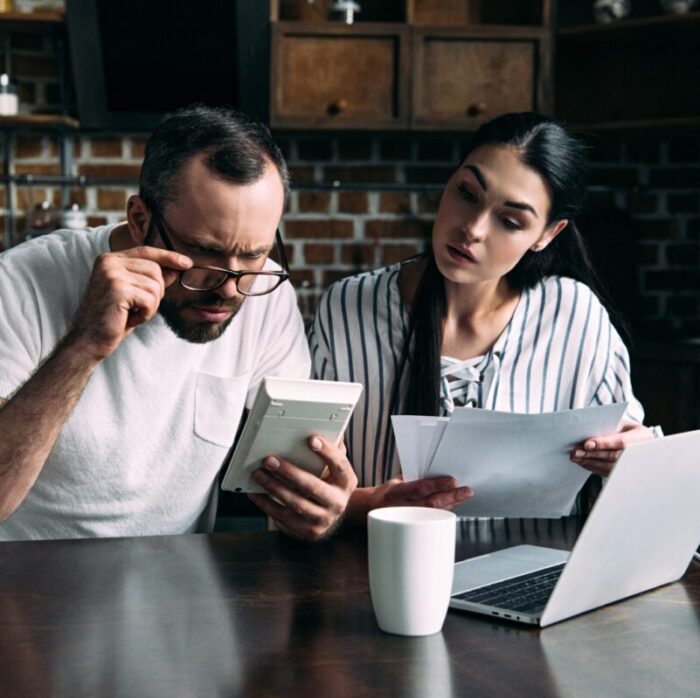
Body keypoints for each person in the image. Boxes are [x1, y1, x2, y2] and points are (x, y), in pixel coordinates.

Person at [0, 105, 356, 541]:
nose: (230, 288)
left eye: (253, 253)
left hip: (178, 580)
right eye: (203, 251)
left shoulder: (264, 295)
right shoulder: (19, 283)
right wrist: (84, 344)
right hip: (27, 585)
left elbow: (291, 478)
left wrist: (320, 507)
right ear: (139, 220)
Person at [309, 112, 656, 522]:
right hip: (373, 572)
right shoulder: (347, 306)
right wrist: (365, 505)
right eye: (468, 194)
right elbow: (301, 489)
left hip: (532, 574)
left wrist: (636, 457)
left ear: (547, 234)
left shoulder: (575, 316)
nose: (472, 229)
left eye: (509, 221)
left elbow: (639, 470)